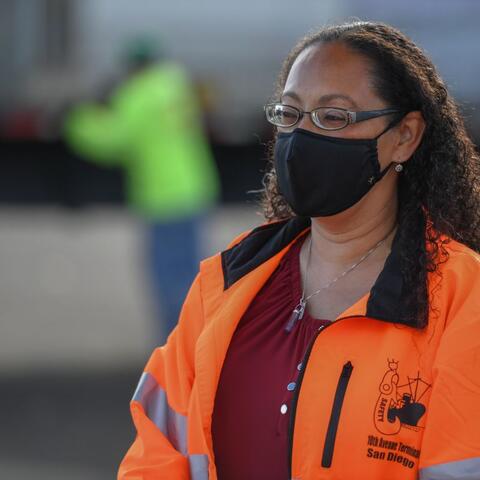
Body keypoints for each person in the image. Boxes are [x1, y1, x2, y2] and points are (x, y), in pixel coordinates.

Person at [118, 21, 480, 480]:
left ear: (405, 136)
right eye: (290, 115)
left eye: (334, 117)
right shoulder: (230, 277)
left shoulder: (462, 301)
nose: (302, 138)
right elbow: (157, 447)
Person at [64, 40, 220, 343]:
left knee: (168, 276)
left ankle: (177, 346)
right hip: (193, 189)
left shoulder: (139, 93)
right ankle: (197, 339)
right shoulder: (176, 84)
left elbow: (114, 138)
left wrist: (75, 120)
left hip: (164, 197)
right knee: (190, 273)